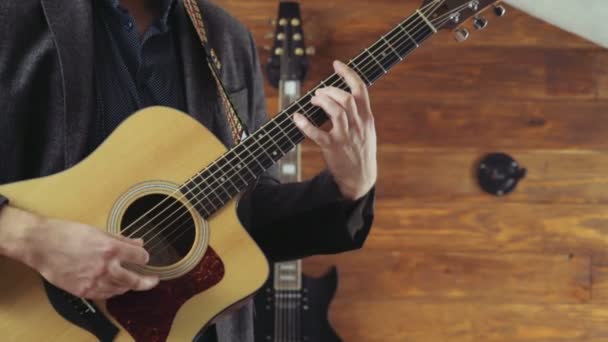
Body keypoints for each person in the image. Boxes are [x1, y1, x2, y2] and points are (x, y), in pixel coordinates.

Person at [0, 0, 377, 341]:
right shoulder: (12, 17)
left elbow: (246, 220)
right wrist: (33, 239)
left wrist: (349, 185)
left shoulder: (226, 38)